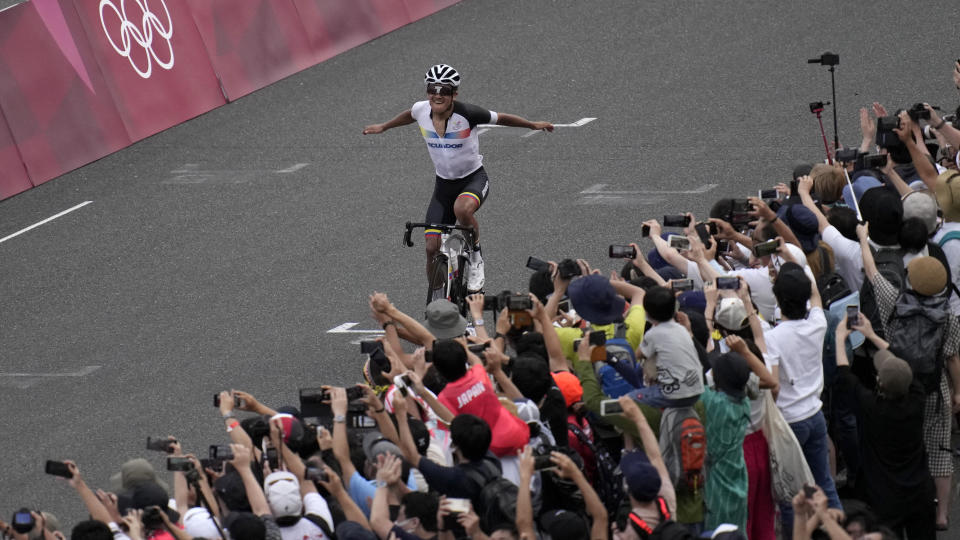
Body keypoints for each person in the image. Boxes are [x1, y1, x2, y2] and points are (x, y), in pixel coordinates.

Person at [363, 64, 554, 293]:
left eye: (444, 90)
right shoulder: (420, 110)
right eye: (432, 88)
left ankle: (475, 257)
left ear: (454, 94)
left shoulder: (468, 114)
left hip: (473, 180)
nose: (437, 94)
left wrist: (532, 125)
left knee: (462, 210)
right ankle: (442, 297)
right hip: (443, 187)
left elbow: (502, 118)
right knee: (431, 248)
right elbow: (408, 116)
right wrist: (383, 127)